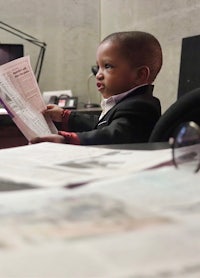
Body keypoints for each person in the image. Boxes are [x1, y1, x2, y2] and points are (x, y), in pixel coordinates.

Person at [31, 31, 163, 145]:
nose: (98, 74)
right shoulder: (125, 103)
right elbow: (101, 124)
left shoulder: (141, 106)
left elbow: (113, 135)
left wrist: (68, 140)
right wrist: (65, 116)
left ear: (140, 75)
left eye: (108, 66)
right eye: (98, 67)